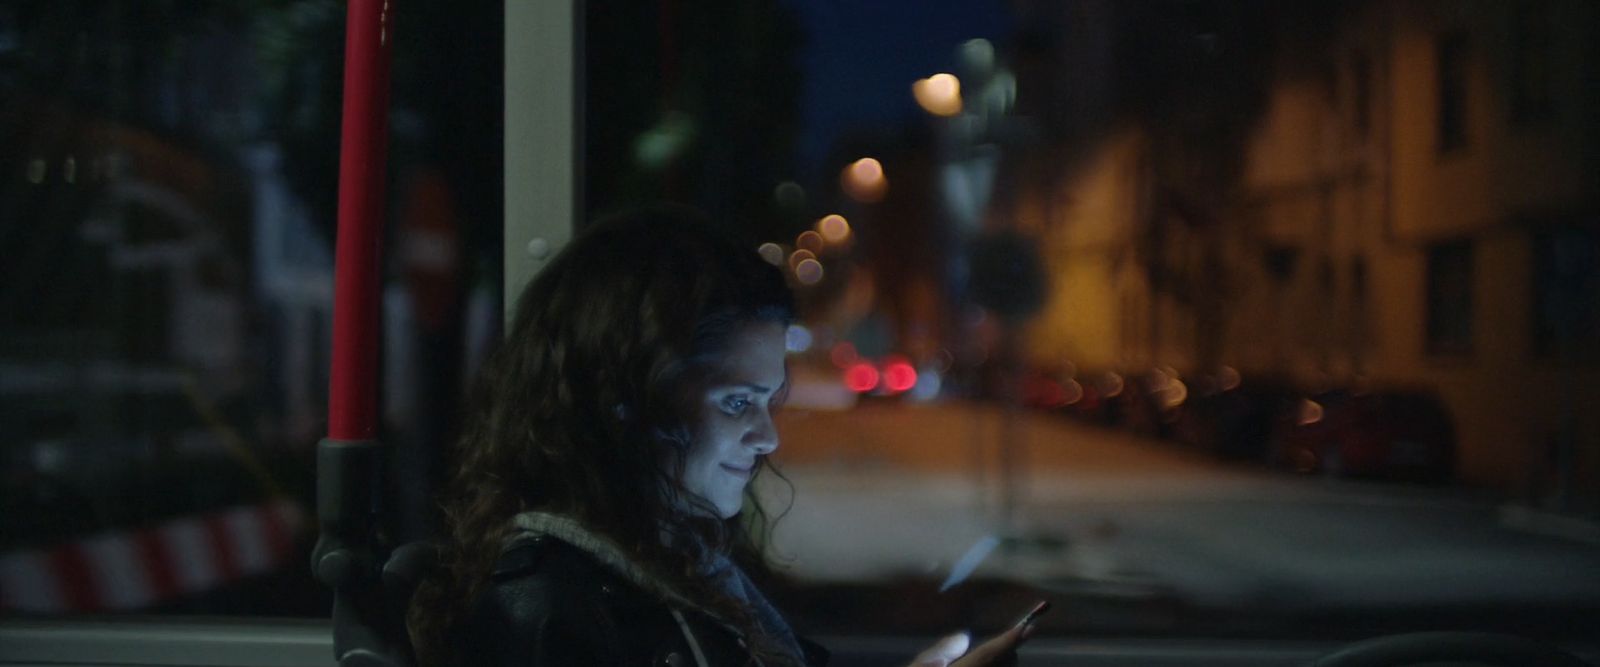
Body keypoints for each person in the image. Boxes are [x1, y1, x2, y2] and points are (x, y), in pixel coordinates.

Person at [408, 207, 1035, 666]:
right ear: (626, 399)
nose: (766, 438)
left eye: (769, 402)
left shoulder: (672, 565)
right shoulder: (546, 614)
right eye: (738, 402)